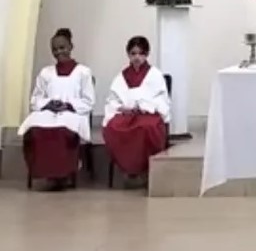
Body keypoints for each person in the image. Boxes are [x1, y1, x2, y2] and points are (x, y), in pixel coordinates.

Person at [17, 28, 95, 191]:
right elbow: (35, 99)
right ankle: (45, 173)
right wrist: (48, 103)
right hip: (49, 112)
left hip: (72, 113)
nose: (59, 52)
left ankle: (63, 174)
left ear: (71, 47)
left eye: (62, 47)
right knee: (35, 131)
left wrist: (68, 105)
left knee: (62, 132)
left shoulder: (83, 72)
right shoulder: (46, 73)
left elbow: (88, 101)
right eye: (55, 49)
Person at [102, 36, 171, 187]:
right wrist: (122, 107)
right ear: (128, 54)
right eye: (133, 53)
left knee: (147, 127)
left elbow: (161, 100)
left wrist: (143, 106)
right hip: (127, 114)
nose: (137, 57)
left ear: (147, 54)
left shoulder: (155, 75)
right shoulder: (121, 77)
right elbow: (112, 100)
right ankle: (129, 171)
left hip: (147, 113)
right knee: (114, 127)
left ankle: (143, 171)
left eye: (141, 53)